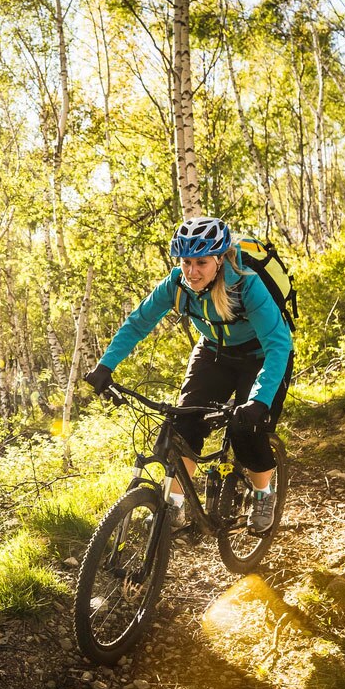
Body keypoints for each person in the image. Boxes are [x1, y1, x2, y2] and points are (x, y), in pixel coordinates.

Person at [84, 216, 293, 532]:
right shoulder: (176, 285)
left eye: (201, 262)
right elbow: (138, 323)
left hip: (261, 355)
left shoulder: (246, 284)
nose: (192, 271)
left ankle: (264, 494)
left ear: (219, 259)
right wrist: (105, 366)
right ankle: (172, 510)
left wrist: (259, 400)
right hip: (214, 353)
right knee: (183, 425)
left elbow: (279, 345)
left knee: (245, 429)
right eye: (186, 262)